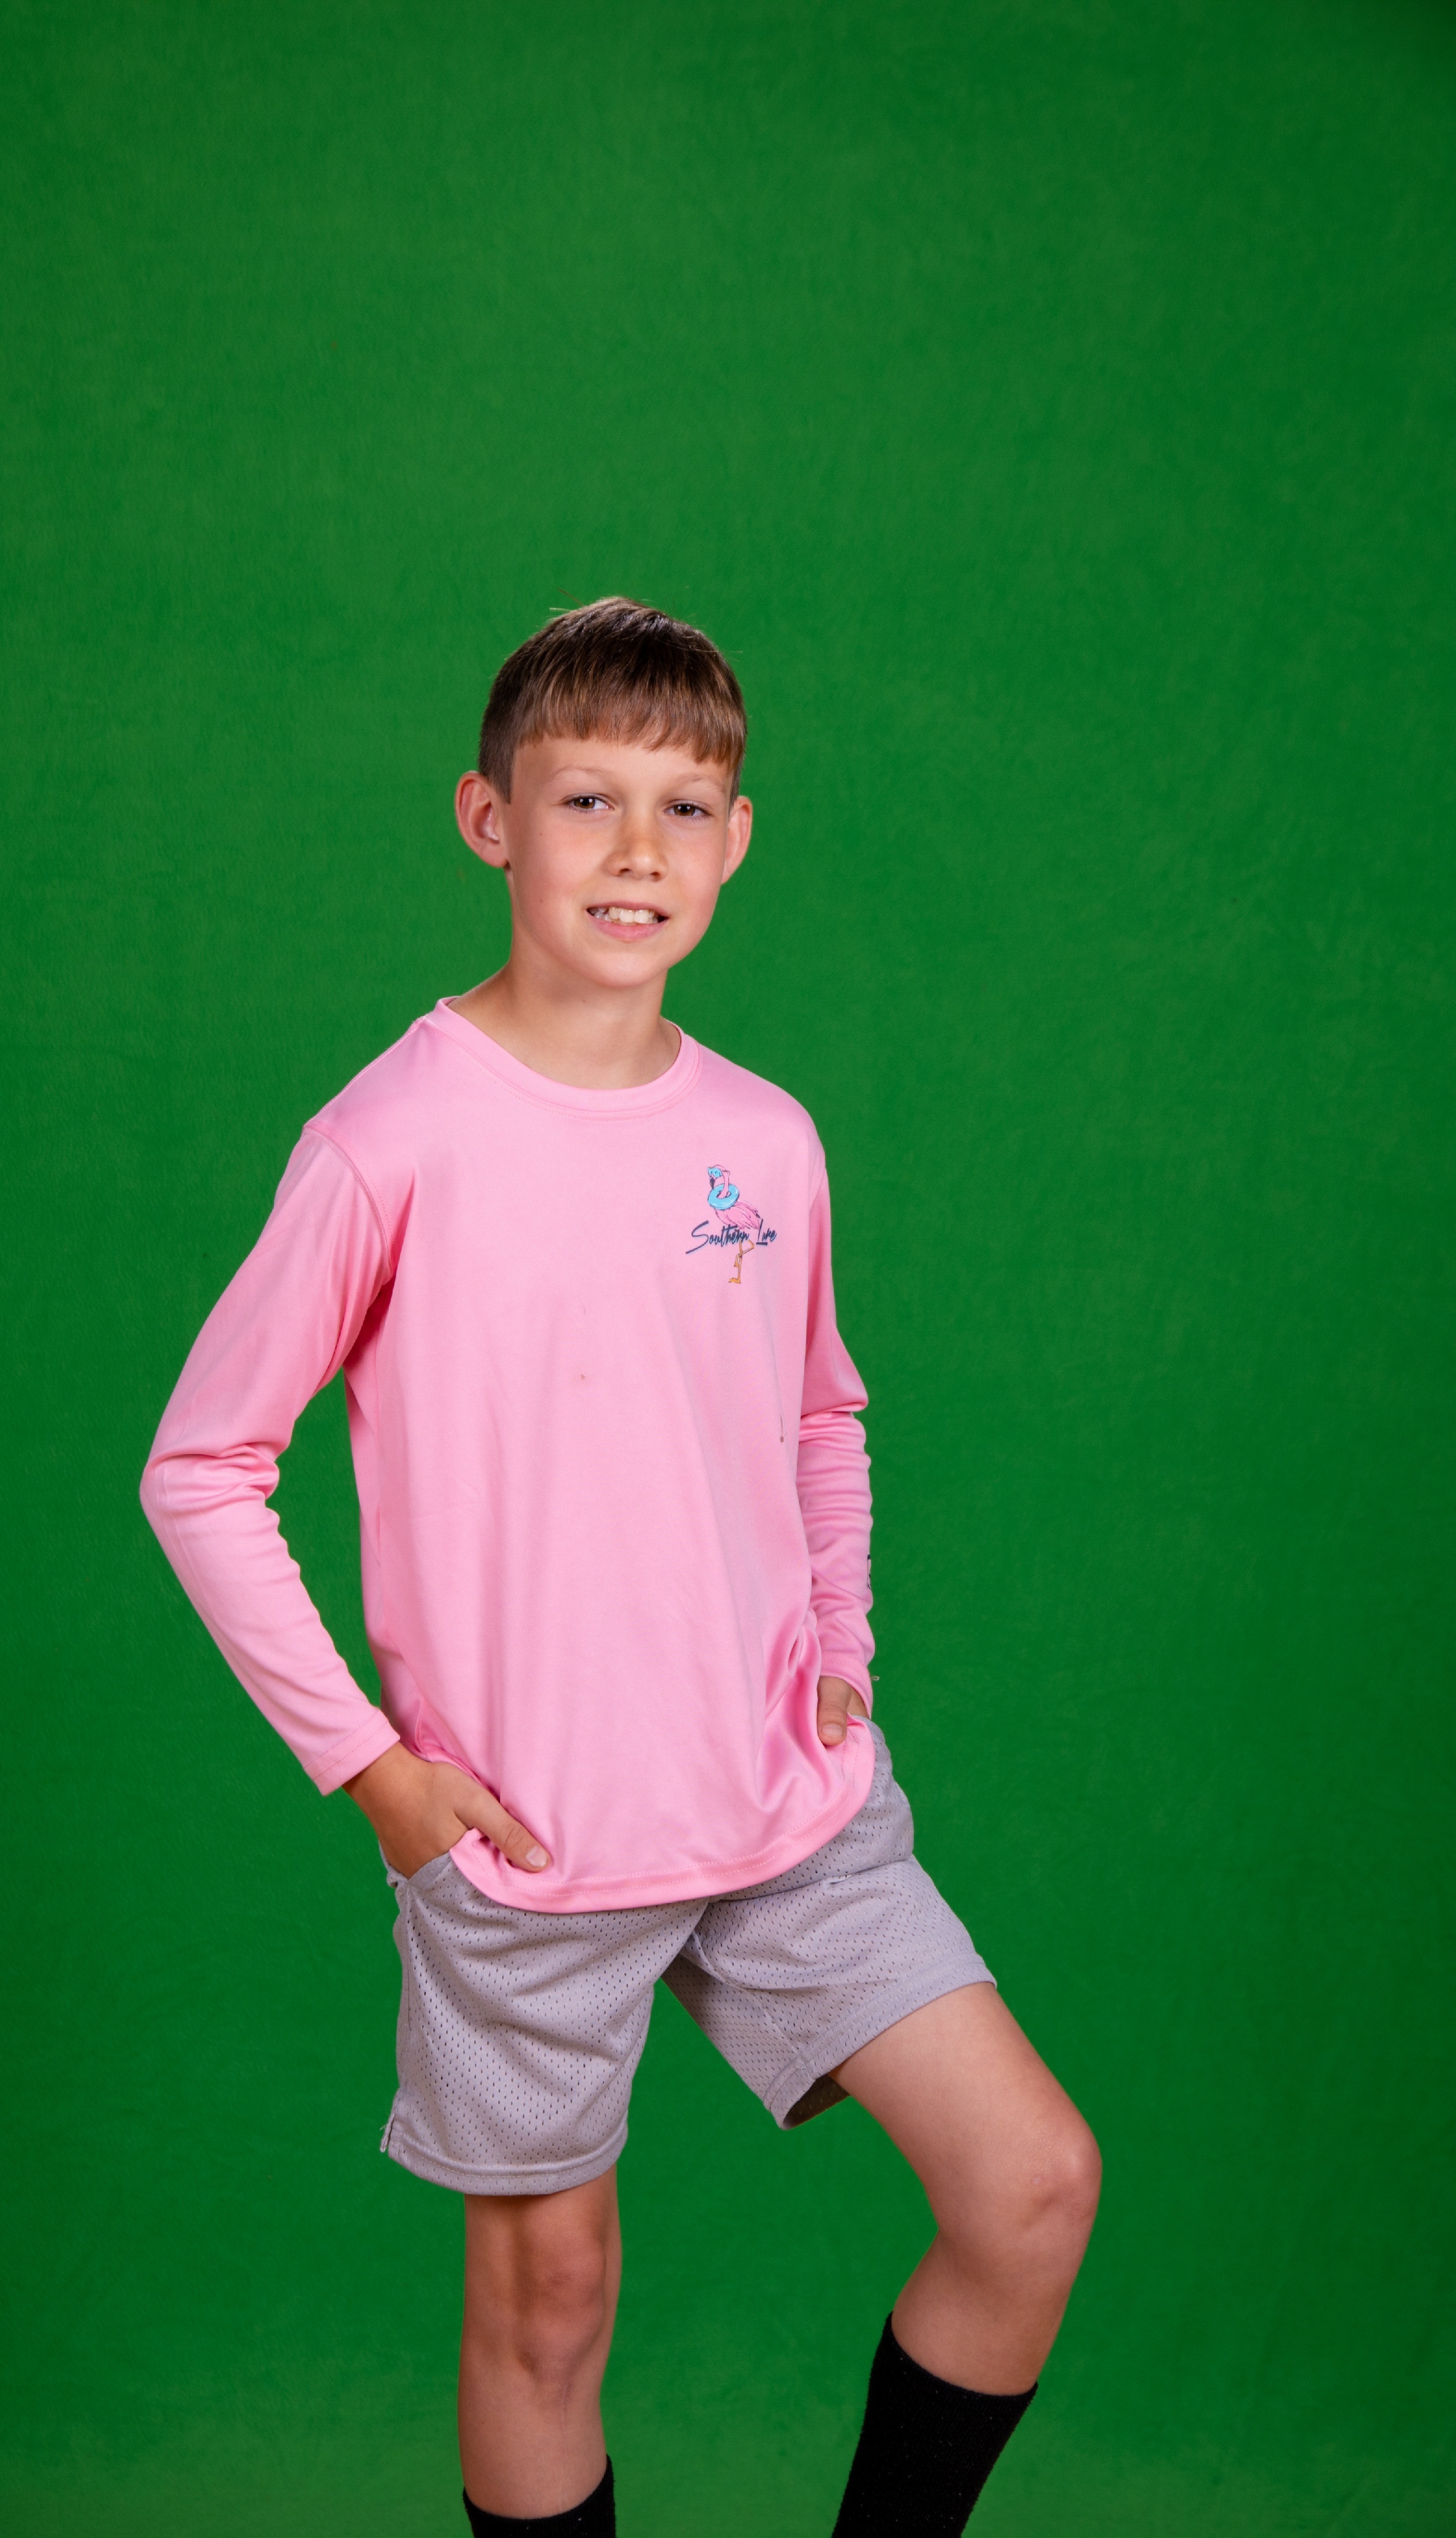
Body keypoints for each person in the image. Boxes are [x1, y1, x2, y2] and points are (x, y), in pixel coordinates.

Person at [140, 599, 1100, 2536]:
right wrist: (374, 1772)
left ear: (737, 838)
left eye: (683, 806)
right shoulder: (392, 1137)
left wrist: (840, 1631)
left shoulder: (766, 1136)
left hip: (783, 1803)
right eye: (588, 799)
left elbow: (821, 1411)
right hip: (528, 1839)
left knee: (1031, 2186)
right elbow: (201, 1469)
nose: (638, 849)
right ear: (491, 819)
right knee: (553, 2304)